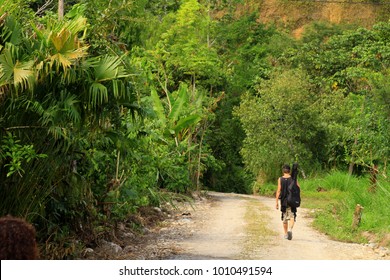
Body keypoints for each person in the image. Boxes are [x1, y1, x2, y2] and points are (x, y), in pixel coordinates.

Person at [275, 163, 299, 240]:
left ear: (283, 171)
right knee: (292, 216)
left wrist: (276, 202)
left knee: (284, 218)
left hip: (284, 201)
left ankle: (285, 234)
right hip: (291, 201)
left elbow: (278, 191)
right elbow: (298, 188)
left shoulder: (280, 179)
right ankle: (290, 230)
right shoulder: (293, 178)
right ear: (289, 171)